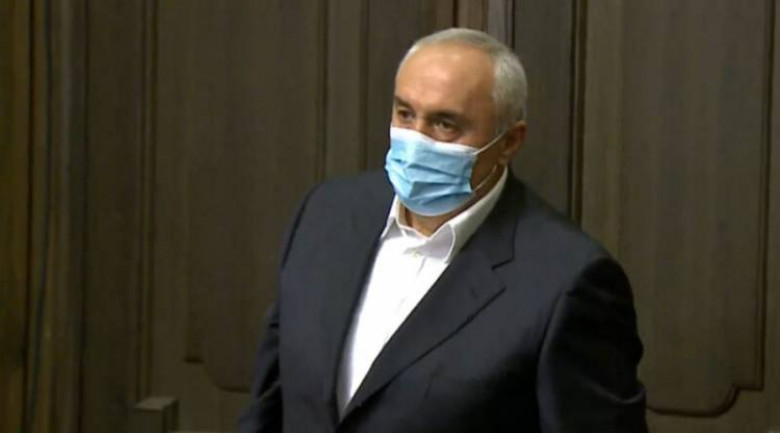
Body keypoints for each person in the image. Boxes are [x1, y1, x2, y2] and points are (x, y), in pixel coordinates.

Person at [238, 28, 647, 433]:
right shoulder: (325, 214)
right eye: (405, 114)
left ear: (509, 142)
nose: (415, 140)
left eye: (444, 124)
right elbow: (270, 404)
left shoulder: (568, 281)